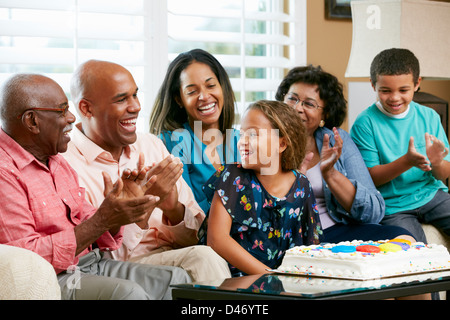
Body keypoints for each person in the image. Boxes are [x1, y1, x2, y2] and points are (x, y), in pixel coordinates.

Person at [0, 73, 191, 300]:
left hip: (91, 264)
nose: (71, 118)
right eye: (62, 111)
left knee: (177, 281)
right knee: (128, 294)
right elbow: (25, 262)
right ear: (32, 121)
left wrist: (120, 211)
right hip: (55, 277)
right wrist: (103, 219)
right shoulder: (5, 171)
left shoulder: (56, 160)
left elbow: (96, 230)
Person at [64, 59, 231, 282]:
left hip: (174, 256)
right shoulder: (65, 164)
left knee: (203, 256)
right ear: (86, 108)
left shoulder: (150, 145)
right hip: (116, 270)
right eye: (122, 99)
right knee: (202, 259)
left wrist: (172, 208)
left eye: (135, 95)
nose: (136, 106)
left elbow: (196, 238)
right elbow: (95, 260)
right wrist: (136, 215)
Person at [275, 65, 414, 243]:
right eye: (292, 99)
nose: (297, 108)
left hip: (337, 230)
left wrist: (331, 174)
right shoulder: (267, 140)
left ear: (324, 113)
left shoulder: (337, 140)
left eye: (309, 104)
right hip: (292, 235)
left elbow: (373, 211)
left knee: (403, 238)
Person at [204, 100, 323, 277]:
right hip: (231, 279)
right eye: (241, 134)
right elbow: (217, 240)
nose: (242, 142)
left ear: (282, 144)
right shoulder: (233, 176)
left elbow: (311, 245)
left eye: (253, 135)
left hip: (284, 283)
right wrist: (271, 277)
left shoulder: (302, 185)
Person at [350, 48, 450, 243]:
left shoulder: (429, 116)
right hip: (392, 206)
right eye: (385, 91)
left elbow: (443, 173)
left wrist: (437, 162)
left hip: (431, 195)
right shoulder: (365, 123)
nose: (395, 98)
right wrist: (407, 161)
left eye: (403, 90)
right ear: (373, 85)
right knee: (414, 252)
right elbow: (370, 178)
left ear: (417, 84)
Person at [149, 49, 240, 214]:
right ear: (179, 100)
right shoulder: (170, 144)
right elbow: (187, 213)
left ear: (222, 87)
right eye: (192, 91)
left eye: (211, 85)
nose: (204, 96)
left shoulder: (242, 141)